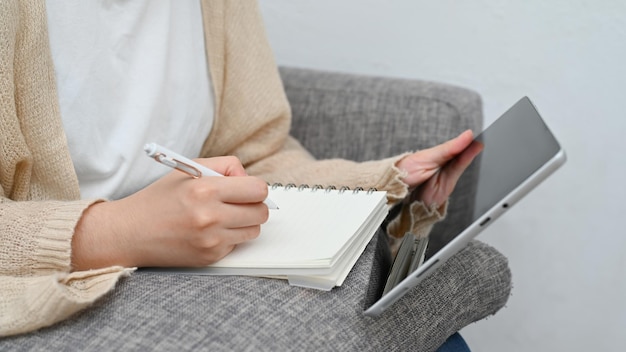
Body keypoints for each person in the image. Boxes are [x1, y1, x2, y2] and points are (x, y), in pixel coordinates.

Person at [0, 1, 504, 349]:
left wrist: (387, 179)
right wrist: (116, 232)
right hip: (59, 274)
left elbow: (254, 152)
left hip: (194, 251)